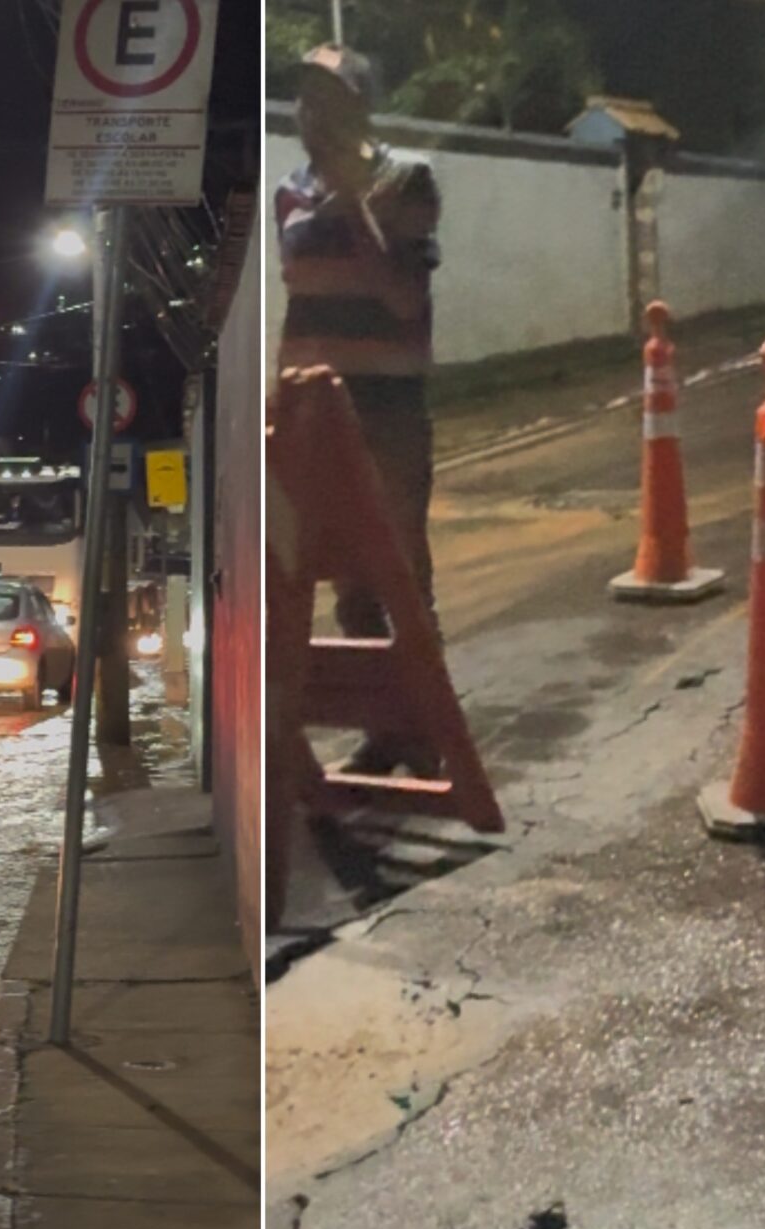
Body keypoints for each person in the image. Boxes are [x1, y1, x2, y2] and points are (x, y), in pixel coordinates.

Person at [276, 45, 443, 776]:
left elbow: (405, 298)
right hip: (319, 413)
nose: (314, 114)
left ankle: (430, 728)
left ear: (363, 110)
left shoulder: (407, 179)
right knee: (348, 584)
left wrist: (357, 211)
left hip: (389, 410)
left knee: (402, 574)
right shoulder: (287, 192)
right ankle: (385, 730)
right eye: (306, 99)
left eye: (332, 100)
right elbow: (300, 295)